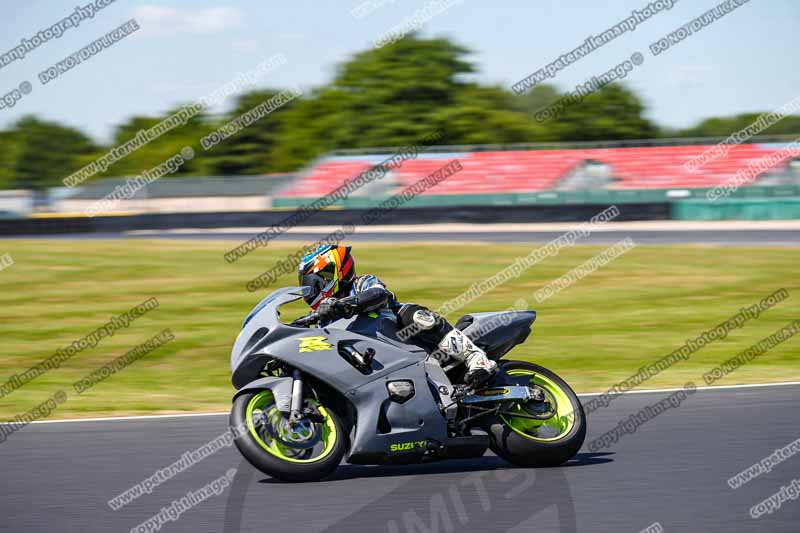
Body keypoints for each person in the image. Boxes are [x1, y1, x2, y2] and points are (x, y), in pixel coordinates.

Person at [297, 244, 497, 385]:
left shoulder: (361, 284)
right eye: (309, 283)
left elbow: (379, 294)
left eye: (318, 280)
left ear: (337, 272)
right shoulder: (323, 317)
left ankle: (475, 358)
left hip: (402, 336)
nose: (313, 288)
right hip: (374, 367)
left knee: (414, 315)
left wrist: (345, 304)